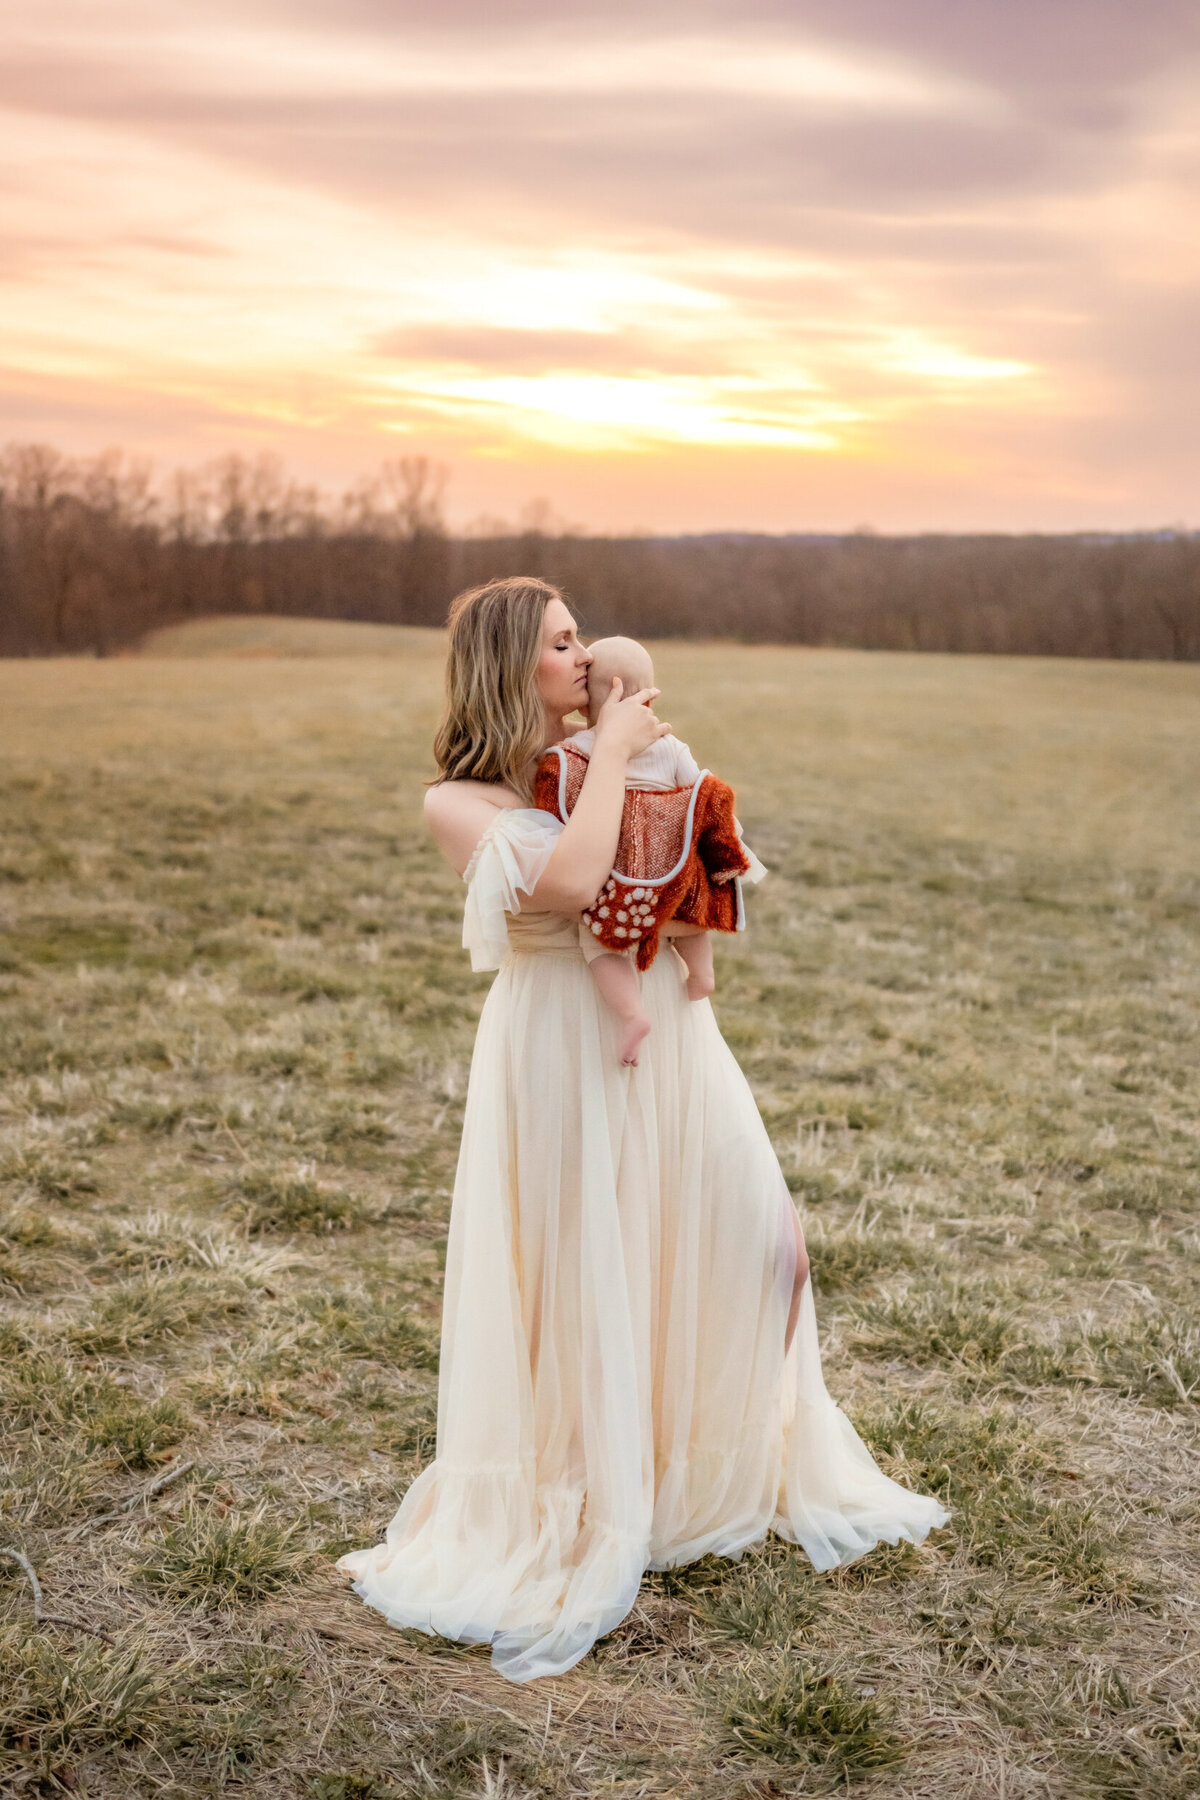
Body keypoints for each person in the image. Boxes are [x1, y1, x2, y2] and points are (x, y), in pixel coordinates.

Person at [336, 576, 950, 1684]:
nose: (582, 658)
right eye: (562, 644)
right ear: (511, 664)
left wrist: (667, 784)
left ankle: (686, 1469)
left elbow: (673, 862)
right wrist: (616, 750)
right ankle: (594, 1491)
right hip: (560, 1052)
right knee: (587, 1265)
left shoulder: (592, 764)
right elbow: (572, 883)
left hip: (667, 1027)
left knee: (767, 1243)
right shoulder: (460, 801)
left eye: (582, 641)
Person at [533, 632, 766, 1068]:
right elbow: (702, 791)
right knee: (690, 916)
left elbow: (563, 802)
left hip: (617, 879)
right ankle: (701, 973)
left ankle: (631, 1014)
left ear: (589, 702)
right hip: (670, 874)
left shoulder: (575, 749)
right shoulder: (669, 744)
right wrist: (729, 833)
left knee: (599, 944)